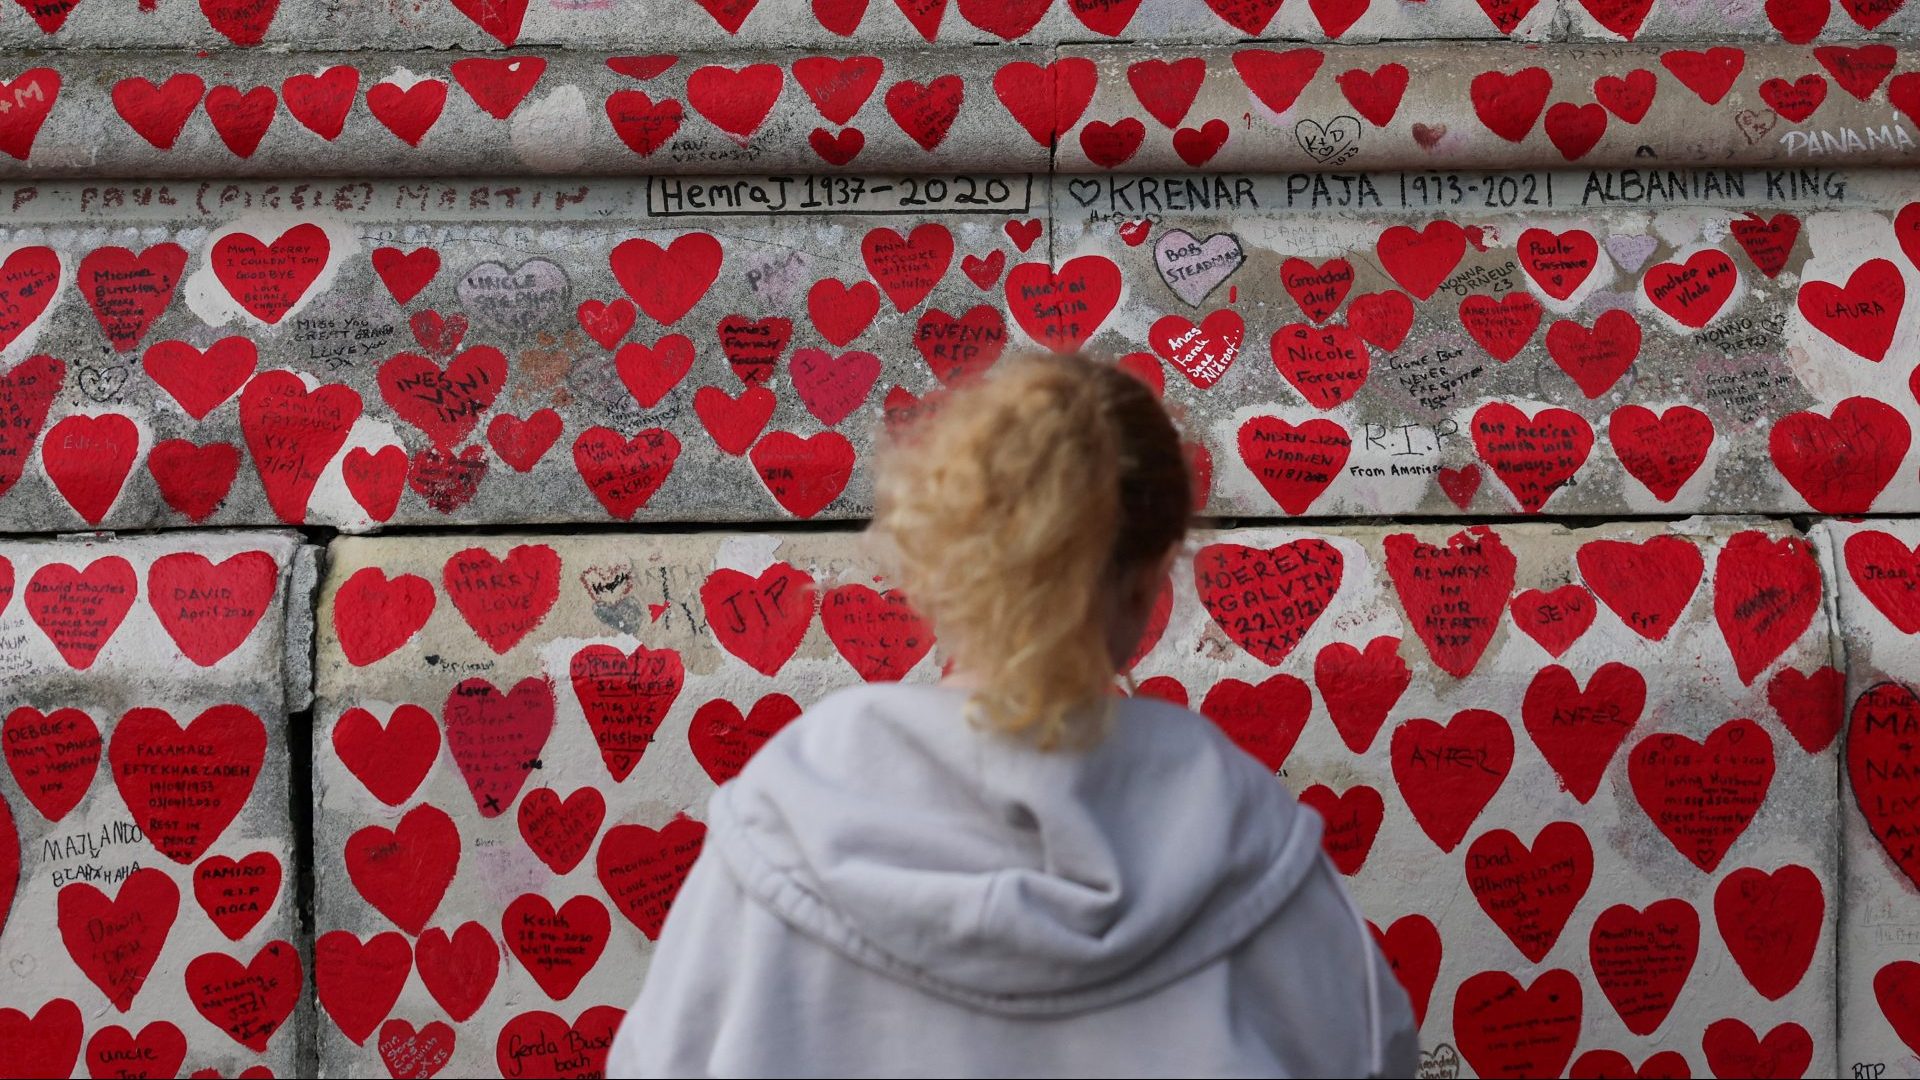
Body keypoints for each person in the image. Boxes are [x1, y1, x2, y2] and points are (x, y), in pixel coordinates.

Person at [608, 353, 1417, 1079]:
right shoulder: (1247, 828)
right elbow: (1374, 1048)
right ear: (1149, 580)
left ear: (941, 559)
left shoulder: (791, 804)